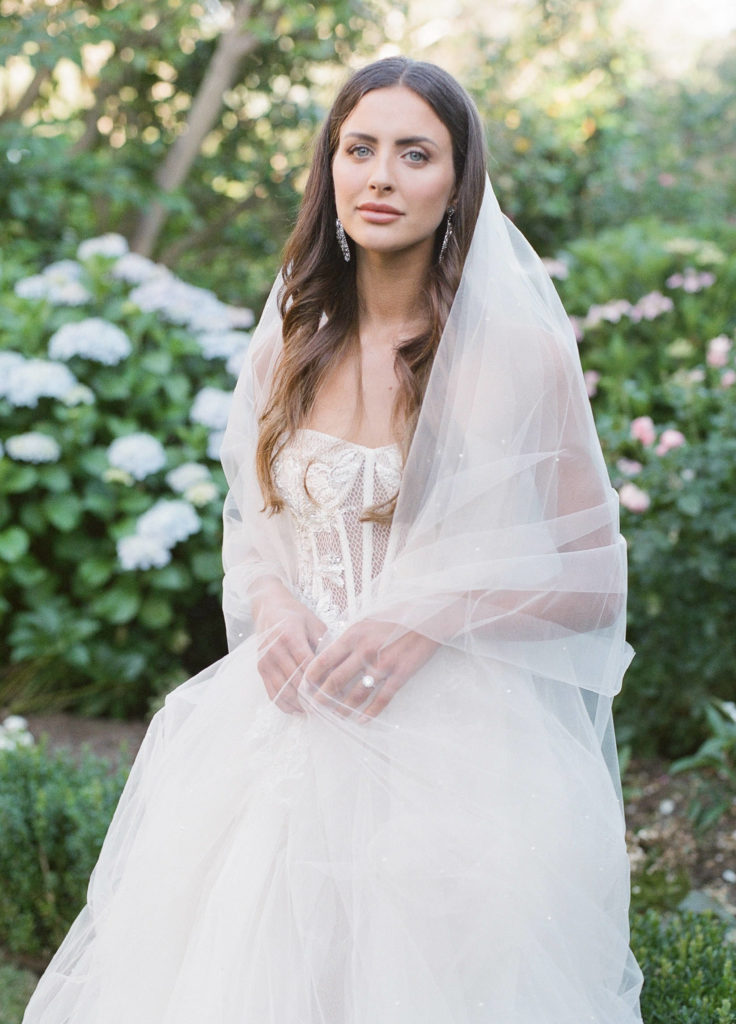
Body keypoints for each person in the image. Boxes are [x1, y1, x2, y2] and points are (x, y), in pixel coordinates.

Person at [24, 57, 644, 1023]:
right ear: (331, 170)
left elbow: (595, 579)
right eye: (360, 149)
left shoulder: (513, 355)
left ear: (456, 183)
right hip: (282, 735)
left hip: (457, 760)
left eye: (415, 153)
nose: (382, 177)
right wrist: (272, 605)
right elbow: (253, 530)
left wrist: (436, 613)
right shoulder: (294, 338)